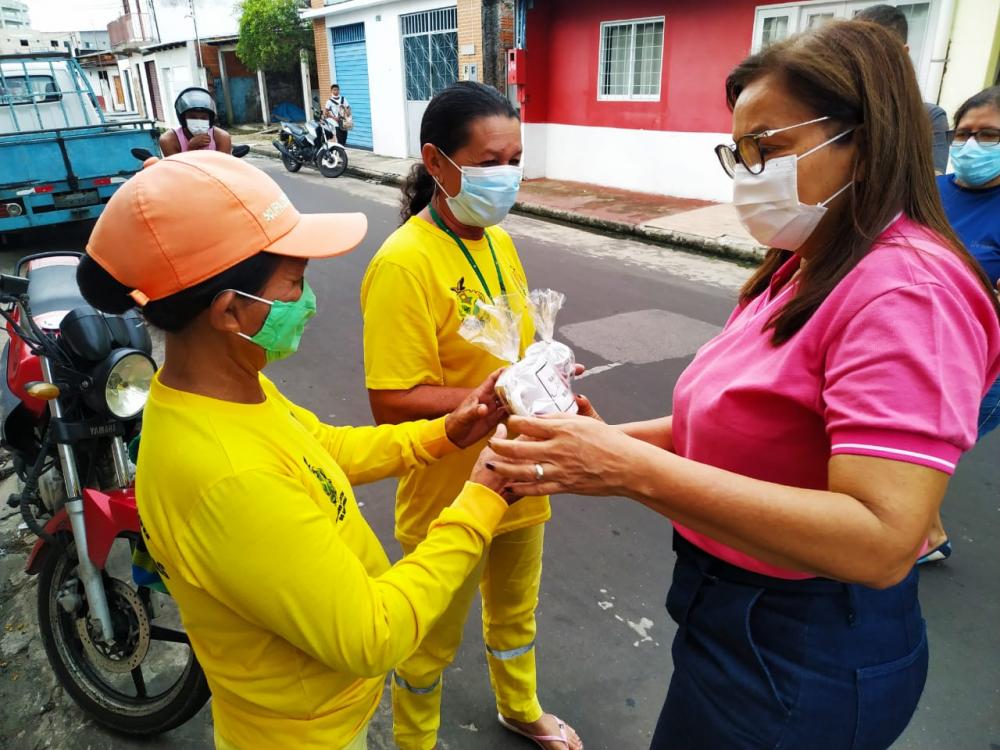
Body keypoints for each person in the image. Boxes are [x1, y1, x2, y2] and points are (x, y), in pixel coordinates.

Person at [487, 21, 1000, 750]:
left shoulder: (905, 292)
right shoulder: (806, 262)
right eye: (741, 151)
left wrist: (627, 470)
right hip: (734, 615)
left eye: (771, 148)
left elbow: (882, 537)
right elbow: (730, 422)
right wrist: (580, 452)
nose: (749, 173)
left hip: (806, 645)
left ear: (867, 137)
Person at [75, 149, 524, 750]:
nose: (310, 300)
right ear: (230, 310)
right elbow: (374, 635)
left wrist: (447, 433)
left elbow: (324, 450)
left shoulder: (230, 389)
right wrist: (483, 497)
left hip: (332, 715)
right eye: (296, 281)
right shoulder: (225, 477)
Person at [360, 81, 582, 750]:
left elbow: (515, 351)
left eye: (514, 158)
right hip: (447, 496)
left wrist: (544, 379)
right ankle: (415, 741)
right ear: (437, 163)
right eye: (490, 162)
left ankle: (520, 707)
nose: (507, 175)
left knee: (516, 614)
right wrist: (488, 398)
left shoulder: (497, 240)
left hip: (519, 472)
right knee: (428, 642)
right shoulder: (403, 264)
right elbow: (390, 402)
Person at [921, 85, 1000, 562]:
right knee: (917, 451)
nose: (971, 145)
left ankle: (902, 542)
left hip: (983, 369)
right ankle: (927, 538)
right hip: (923, 350)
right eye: (964, 133)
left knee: (928, 454)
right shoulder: (932, 192)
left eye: (988, 134)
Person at [855, 4, 949, 174]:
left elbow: (932, 180)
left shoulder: (928, 118)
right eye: (855, 51)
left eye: (875, 51)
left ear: (903, 53)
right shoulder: (840, 109)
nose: (863, 61)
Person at [159, 86, 232, 156]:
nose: (199, 121)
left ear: (210, 119)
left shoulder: (222, 137)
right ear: (183, 118)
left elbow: (223, 167)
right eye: (192, 117)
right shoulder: (168, 140)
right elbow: (175, 168)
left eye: (204, 118)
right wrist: (190, 149)